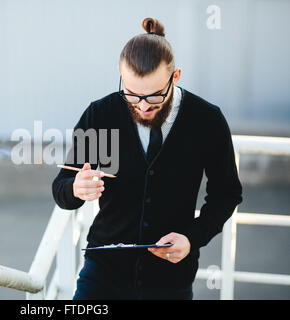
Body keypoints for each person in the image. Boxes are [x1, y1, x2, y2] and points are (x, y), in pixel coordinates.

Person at [52, 17, 243, 300]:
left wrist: (192, 238)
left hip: (171, 280)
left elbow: (227, 194)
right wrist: (75, 188)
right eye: (131, 95)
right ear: (120, 74)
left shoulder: (207, 120)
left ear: (175, 77)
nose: (142, 107)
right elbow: (61, 188)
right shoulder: (100, 114)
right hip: (102, 274)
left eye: (154, 97)